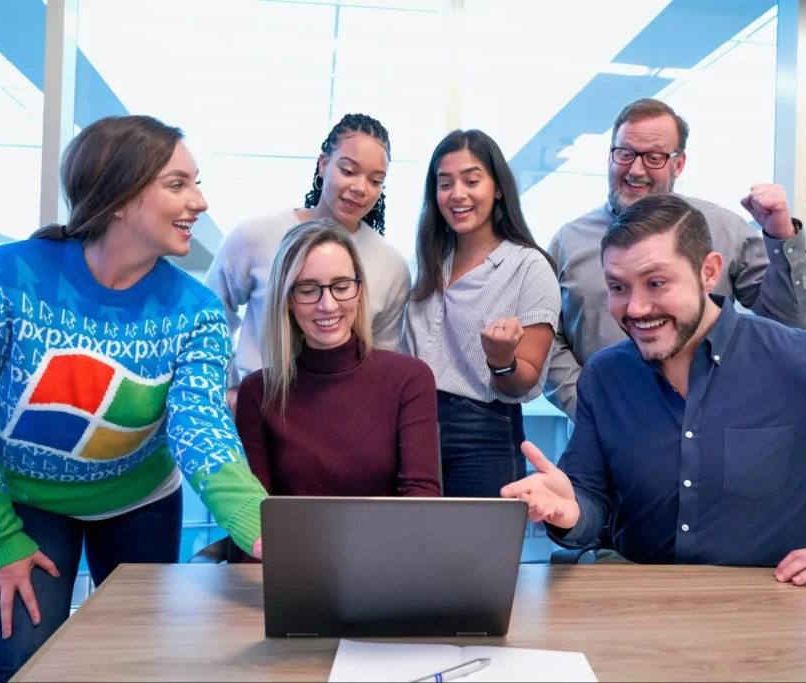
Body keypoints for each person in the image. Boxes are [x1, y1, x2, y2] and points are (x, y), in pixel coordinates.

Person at [0, 115, 268, 682]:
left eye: (196, 183)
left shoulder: (197, 312)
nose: (200, 202)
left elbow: (200, 423)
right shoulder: (4, 277)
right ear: (122, 196)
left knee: (136, 666)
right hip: (21, 501)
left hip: (139, 498)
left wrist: (257, 519)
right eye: (178, 184)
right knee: (19, 665)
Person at [502, 194, 806, 590]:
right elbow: (590, 500)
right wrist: (572, 511)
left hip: (772, 613)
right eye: (618, 287)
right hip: (636, 606)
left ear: (708, 272)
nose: (634, 308)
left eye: (656, 283)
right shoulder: (605, 375)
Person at [544, 97, 806, 421]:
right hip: (601, 435)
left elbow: (793, 318)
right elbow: (545, 338)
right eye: (625, 153)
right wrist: (586, 403)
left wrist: (782, 236)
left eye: (654, 157)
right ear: (610, 155)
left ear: (678, 164)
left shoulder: (725, 230)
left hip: (710, 429)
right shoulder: (568, 241)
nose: (636, 169)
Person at [205, 113, 412, 409]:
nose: (360, 188)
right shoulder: (255, 236)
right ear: (323, 164)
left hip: (338, 413)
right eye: (348, 170)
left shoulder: (391, 265)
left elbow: (381, 360)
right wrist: (227, 387)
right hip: (257, 408)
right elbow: (209, 317)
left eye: (375, 180)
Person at [402, 129, 560, 498]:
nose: (457, 194)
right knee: (408, 535)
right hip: (413, 424)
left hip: (483, 432)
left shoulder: (529, 266)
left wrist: (502, 360)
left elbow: (523, 382)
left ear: (498, 188)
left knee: (478, 537)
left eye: (471, 181)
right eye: (445, 184)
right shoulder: (429, 260)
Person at [235, 219, 441, 501]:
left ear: (359, 291)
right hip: (294, 533)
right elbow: (256, 512)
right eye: (308, 290)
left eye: (341, 287)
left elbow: (421, 496)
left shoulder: (408, 378)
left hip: (391, 532)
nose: (328, 305)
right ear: (288, 300)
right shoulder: (258, 393)